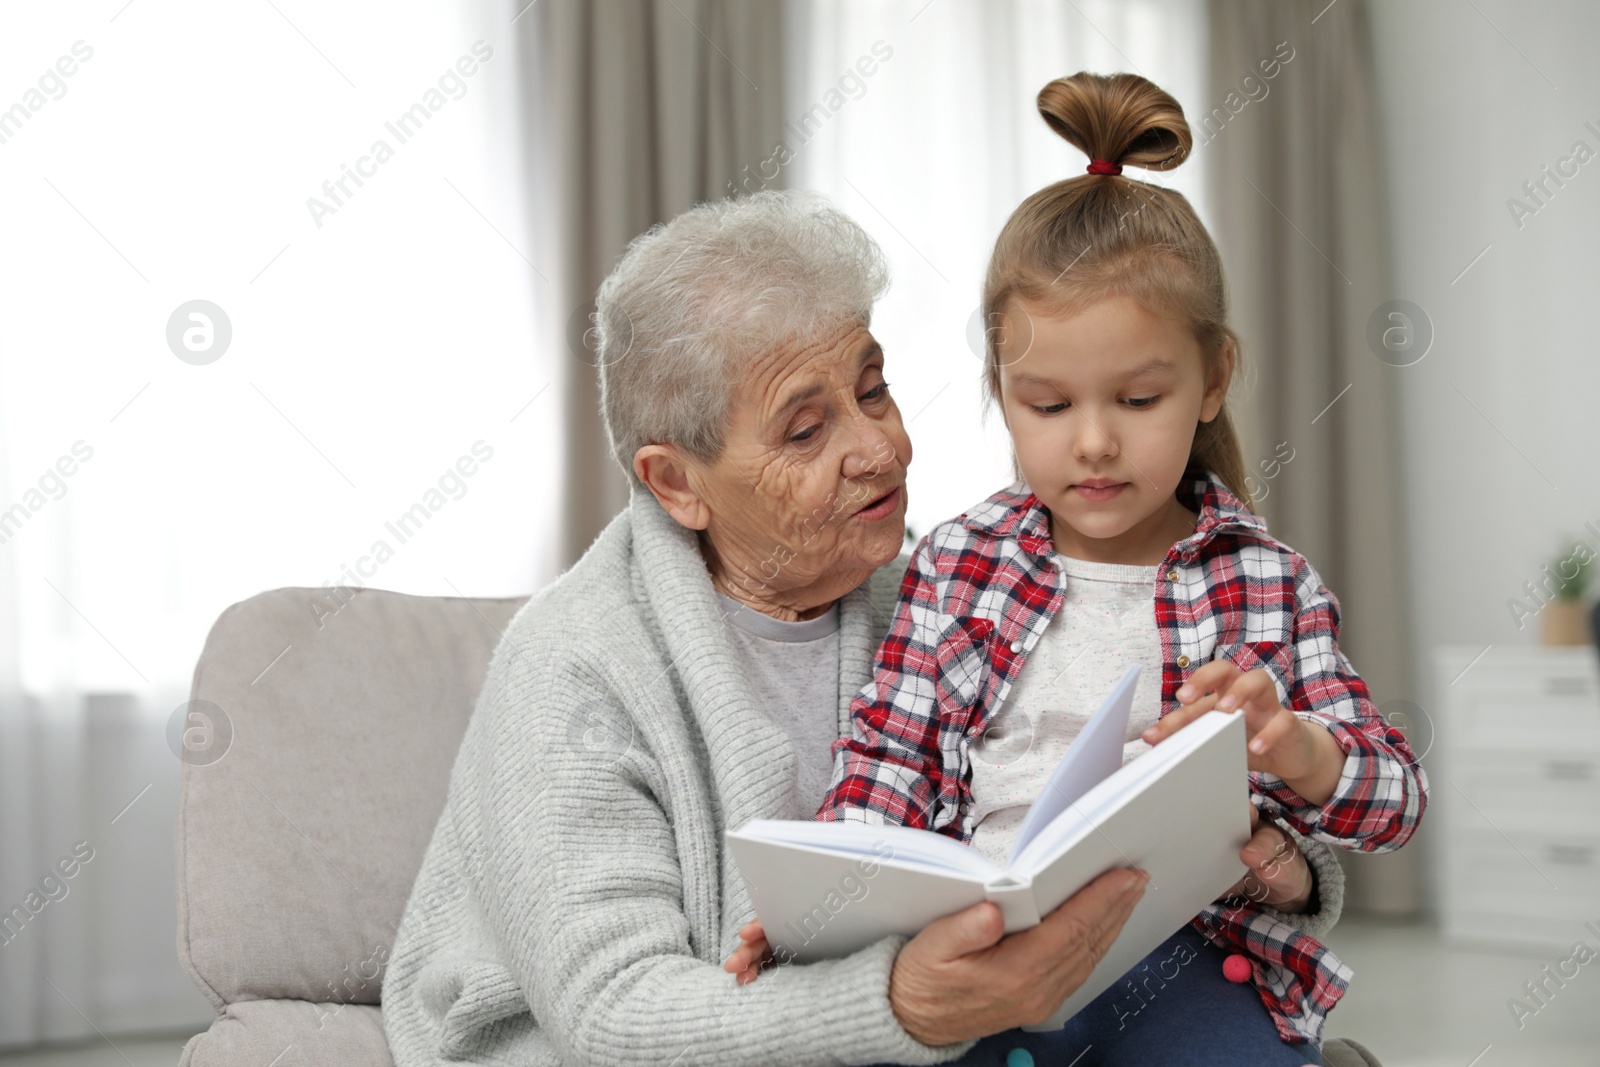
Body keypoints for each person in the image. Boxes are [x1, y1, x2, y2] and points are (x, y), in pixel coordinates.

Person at [382, 188, 1340, 1067]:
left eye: (872, 388)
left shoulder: (948, 589)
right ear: (677, 482)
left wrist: (1278, 863)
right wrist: (904, 1005)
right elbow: (615, 1014)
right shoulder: (573, 666)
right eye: (806, 431)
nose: (880, 446)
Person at [725, 74, 1427, 1066]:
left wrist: (1296, 747)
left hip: (1184, 956)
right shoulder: (960, 567)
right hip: (986, 955)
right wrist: (814, 917)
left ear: (1211, 378)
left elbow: (1394, 797)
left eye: (1137, 398)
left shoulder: (1263, 582)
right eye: (1047, 406)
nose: (1092, 443)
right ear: (1000, 393)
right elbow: (886, 777)